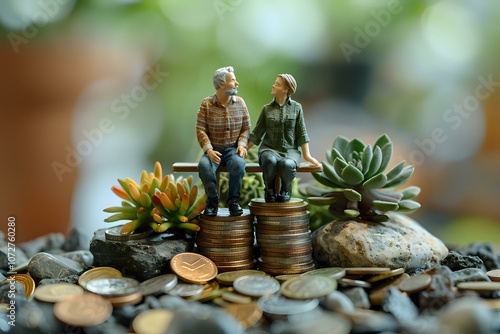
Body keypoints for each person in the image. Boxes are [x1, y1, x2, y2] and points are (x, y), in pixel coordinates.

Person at [248, 73, 320, 203]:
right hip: (269, 149)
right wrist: (243, 149)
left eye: (277, 84)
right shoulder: (267, 109)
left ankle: (286, 189)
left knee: (286, 164)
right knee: (269, 161)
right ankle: (269, 190)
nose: (273, 86)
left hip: (290, 151)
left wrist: (307, 156)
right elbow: (257, 133)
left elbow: (302, 132)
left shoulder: (297, 108)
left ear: (286, 89)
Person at [196, 66, 251, 216]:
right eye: (233, 80)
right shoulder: (206, 104)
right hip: (213, 150)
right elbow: (201, 129)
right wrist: (208, 150)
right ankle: (212, 201)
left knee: (239, 164)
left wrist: (241, 144)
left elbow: (246, 128)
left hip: (232, 150)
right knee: (205, 166)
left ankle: (233, 200)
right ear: (221, 84)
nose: (236, 83)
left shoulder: (240, 103)